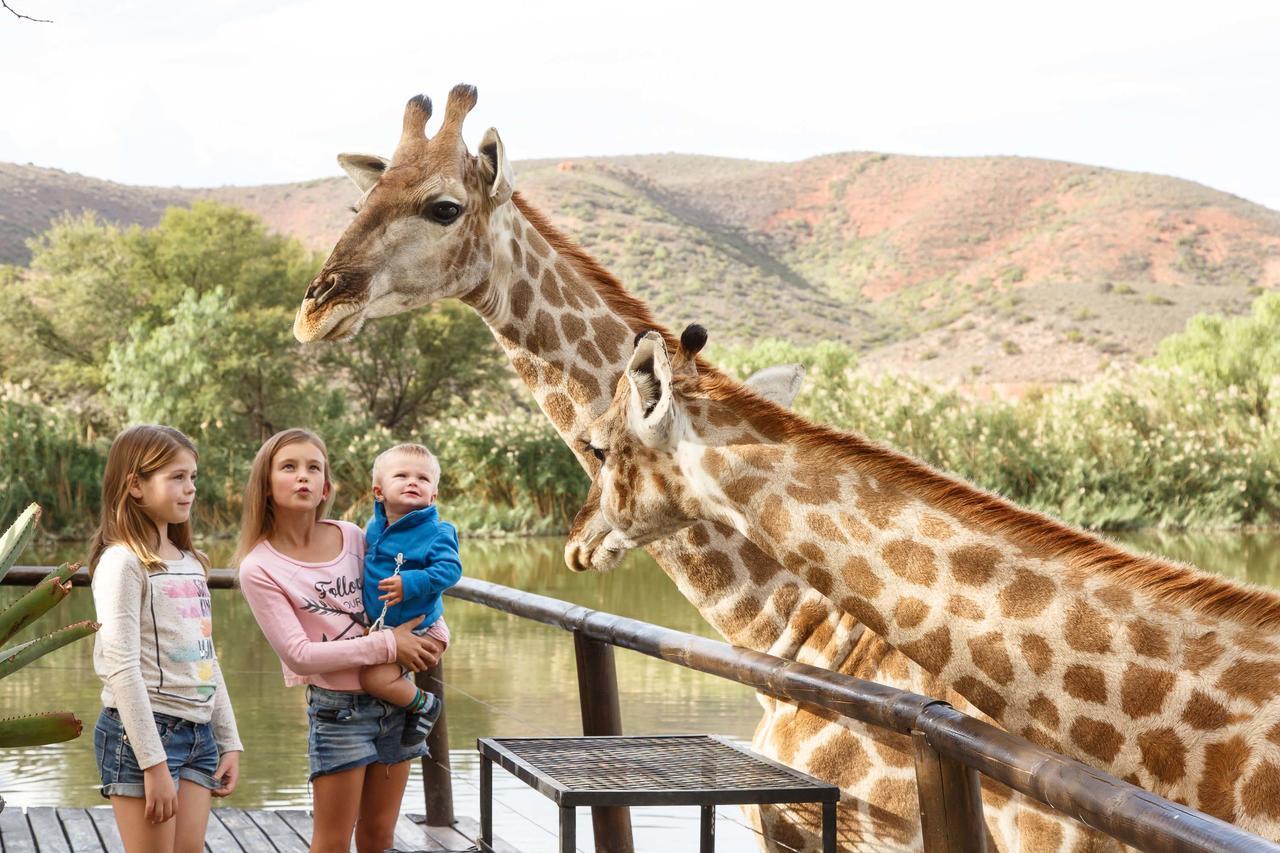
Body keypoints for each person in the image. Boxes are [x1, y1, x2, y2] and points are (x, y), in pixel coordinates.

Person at [235, 428, 443, 853]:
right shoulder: (259, 567)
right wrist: (390, 646)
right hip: (339, 714)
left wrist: (437, 634)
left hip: (396, 700)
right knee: (331, 842)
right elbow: (300, 655)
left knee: (379, 837)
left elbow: (402, 595)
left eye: (314, 467)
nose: (303, 477)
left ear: (326, 485)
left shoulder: (353, 535)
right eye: (289, 467)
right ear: (267, 484)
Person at [89, 424, 242, 853]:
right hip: (142, 733)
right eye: (176, 477)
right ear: (135, 485)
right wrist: (152, 763)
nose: (190, 488)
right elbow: (122, 667)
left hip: (198, 733)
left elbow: (206, 658)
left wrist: (228, 739)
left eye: (193, 476)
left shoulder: (192, 562)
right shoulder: (122, 563)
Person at [358, 443, 461, 746]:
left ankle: (425, 705)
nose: (412, 482)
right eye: (401, 475)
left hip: (423, 628)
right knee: (364, 673)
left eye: (423, 478)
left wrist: (411, 582)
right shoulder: (375, 529)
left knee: (374, 679)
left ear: (433, 495)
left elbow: (450, 570)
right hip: (389, 627)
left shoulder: (438, 533)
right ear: (379, 492)